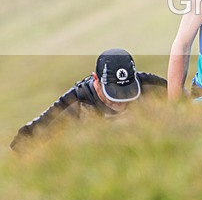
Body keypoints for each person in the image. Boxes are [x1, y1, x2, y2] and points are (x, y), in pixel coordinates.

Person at [9, 48, 167, 152]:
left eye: (126, 91)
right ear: (96, 80)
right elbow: (22, 143)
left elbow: (187, 104)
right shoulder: (76, 102)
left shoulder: (150, 86)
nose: (120, 101)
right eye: (113, 92)